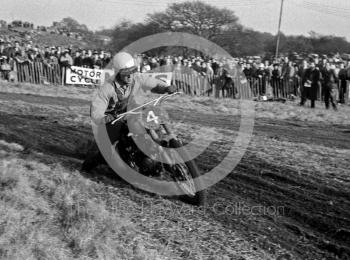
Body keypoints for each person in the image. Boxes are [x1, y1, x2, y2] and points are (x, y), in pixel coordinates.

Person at [81, 52, 176, 172]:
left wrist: (166, 88)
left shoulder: (138, 77)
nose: (130, 76)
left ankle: (167, 142)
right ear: (118, 73)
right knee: (104, 149)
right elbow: (96, 109)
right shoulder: (107, 88)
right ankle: (87, 166)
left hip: (134, 112)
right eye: (126, 73)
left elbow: (154, 83)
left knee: (154, 117)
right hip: (114, 119)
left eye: (132, 71)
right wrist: (103, 118)